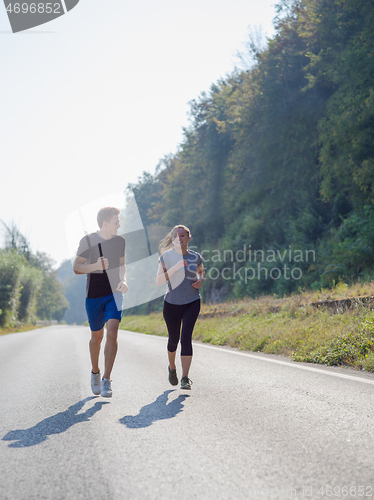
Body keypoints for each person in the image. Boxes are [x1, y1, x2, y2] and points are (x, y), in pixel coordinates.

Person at [73, 207, 128, 398]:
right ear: (105, 223)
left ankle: (106, 379)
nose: (119, 225)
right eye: (116, 222)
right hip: (94, 295)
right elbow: (77, 267)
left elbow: (122, 265)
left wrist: (123, 280)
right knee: (97, 337)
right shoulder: (87, 241)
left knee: (112, 333)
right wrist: (96, 265)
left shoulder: (120, 240)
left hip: (114, 294)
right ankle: (95, 371)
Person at [156, 225, 205, 390]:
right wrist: (176, 267)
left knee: (186, 338)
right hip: (171, 304)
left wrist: (200, 280)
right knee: (173, 339)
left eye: (182, 235)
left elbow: (201, 271)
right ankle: (172, 367)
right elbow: (159, 281)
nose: (179, 238)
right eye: (176, 235)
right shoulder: (166, 257)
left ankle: (185, 377)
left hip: (192, 301)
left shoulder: (195, 257)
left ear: (188, 238)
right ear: (172, 239)